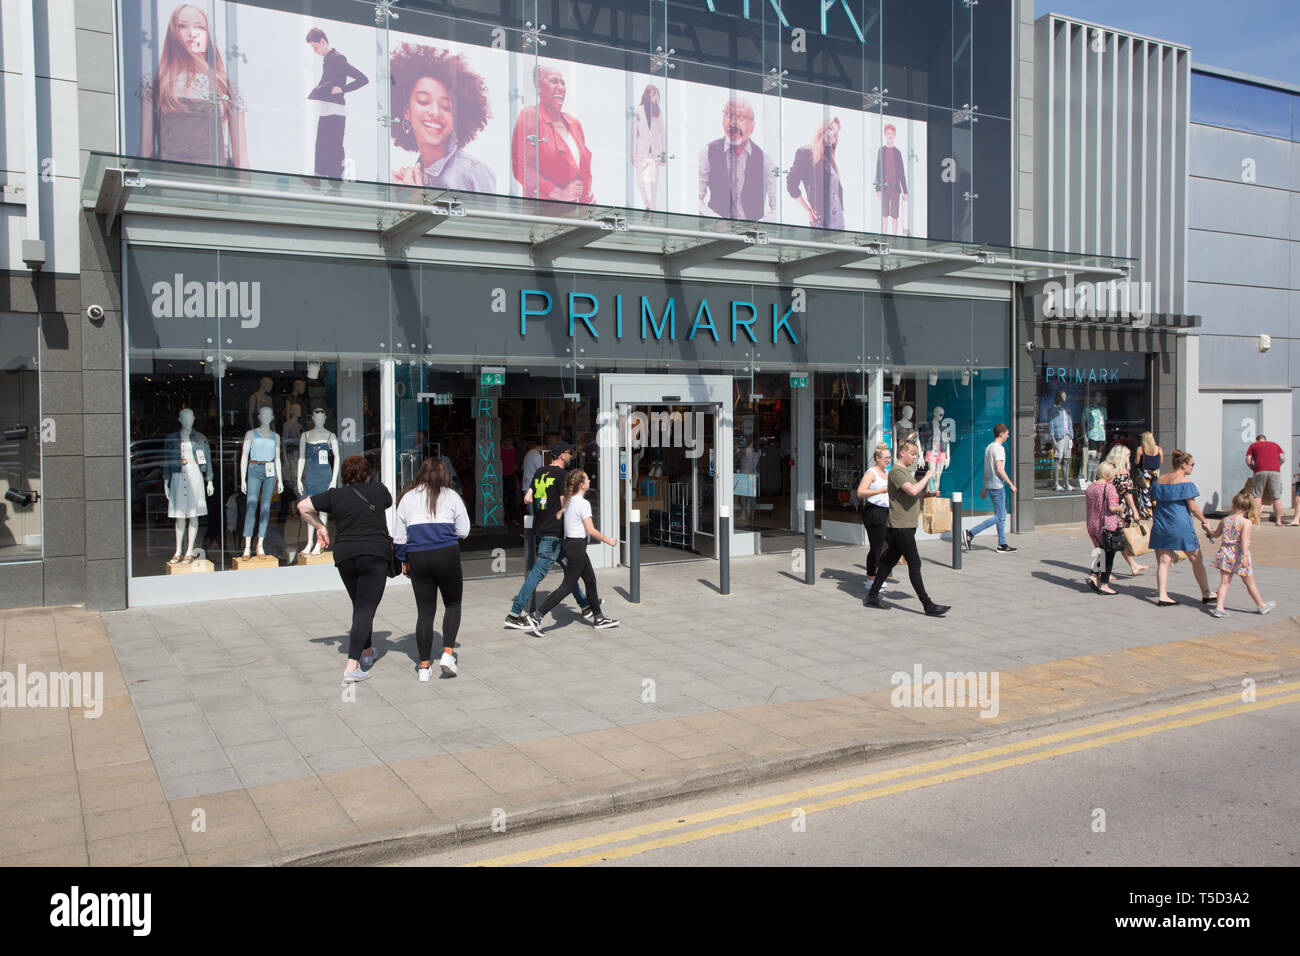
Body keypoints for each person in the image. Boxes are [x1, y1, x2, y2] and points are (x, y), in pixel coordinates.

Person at [297, 456, 394, 683]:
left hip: (346, 555)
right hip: (374, 553)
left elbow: (302, 506)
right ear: (368, 473)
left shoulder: (335, 496)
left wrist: (320, 527)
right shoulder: (379, 490)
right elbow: (387, 502)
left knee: (360, 605)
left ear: (344, 475)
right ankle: (352, 666)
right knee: (365, 608)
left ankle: (367, 651)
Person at [140, 4, 248, 167]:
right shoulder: (156, 82)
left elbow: (241, 159)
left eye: (200, 27)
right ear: (173, 32)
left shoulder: (225, 87)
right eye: (182, 25)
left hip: (215, 178)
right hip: (168, 175)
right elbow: (145, 150)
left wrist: (243, 191)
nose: (192, 33)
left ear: (208, 35)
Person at [503, 442, 594, 631]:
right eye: (569, 453)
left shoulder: (539, 472)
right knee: (538, 573)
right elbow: (564, 505)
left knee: (571, 571)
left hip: (543, 529)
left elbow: (528, 498)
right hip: (554, 533)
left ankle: (585, 606)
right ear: (561, 455)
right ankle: (514, 613)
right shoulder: (562, 476)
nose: (571, 456)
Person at [394, 457, 470, 680]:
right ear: (444, 475)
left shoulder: (407, 497)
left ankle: (424, 667)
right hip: (446, 554)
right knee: (453, 604)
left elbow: (399, 538)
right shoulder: (452, 496)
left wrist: (404, 560)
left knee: (425, 612)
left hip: (419, 557)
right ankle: (447, 654)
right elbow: (464, 531)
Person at [389, 43, 496, 191]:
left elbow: (488, 215)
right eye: (423, 101)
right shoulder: (411, 177)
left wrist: (418, 200)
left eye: (446, 107)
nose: (435, 112)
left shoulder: (473, 171)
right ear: (406, 112)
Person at [864, 440, 950, 616]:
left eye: (916, 455)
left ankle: (872, 596)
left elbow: (912, 494)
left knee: (888, 561)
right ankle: (927, 604)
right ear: (902, 453)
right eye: (912, 454)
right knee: (915, 563)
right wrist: (927, 476)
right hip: (900, 526)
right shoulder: (897, 471)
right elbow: (911, 490)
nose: (915, 457)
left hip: (905, 525)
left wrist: (928, 493)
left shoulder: (904, 472)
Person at [532, 470, 619, 632]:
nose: (589, 481)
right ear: (581, 484)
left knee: (590, 581)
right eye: (587, 479)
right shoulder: (582, 504)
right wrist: (609, 540)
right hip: (577, 547)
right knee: (567, 586)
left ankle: (598, 617)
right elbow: (591, 530)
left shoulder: (569, 501)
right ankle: (537, 616)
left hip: (572, 546)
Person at [511, 64, 593, 203]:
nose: (560, 87)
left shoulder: (574, 123)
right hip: (544, 213)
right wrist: (558, 193)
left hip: (578, 212)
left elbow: (585, 169)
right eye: (553, 81)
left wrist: (587, 197)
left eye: (563, 83)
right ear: (539, 87)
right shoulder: (530, 115)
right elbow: (521, 168)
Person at [1149, 450, 1216, 607]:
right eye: (1192, 464)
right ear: (1184, 464)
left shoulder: (1160, 480)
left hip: (1161, 524)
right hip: (1180, 525)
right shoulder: (1185, 483)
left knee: (1164, 561)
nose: (1193, 468)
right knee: (1196, 558)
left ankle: (1163, 595)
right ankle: (1206, 592)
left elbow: (1153, 500)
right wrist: (1204, 521)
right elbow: (1192, 507)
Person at [698, 96, 777, 221]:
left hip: (752, 234)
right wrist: (717, 222)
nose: (733, 123)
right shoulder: (708, 152)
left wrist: (757, 227)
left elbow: (777, 209)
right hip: (716, 233)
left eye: (740, 117)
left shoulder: (765, 160)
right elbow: (696, 201)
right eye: (728, 115)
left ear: (752, 126)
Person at [306, 28, 369, 179]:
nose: (315, 51)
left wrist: (342, 89)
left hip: (335, 111)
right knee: (322, 146)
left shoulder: (337, 58)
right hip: (328, 110)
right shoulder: (329, 59)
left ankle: (335, 185)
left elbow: (363, 79)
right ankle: (321, 179)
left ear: (322, 41)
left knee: (333, 148)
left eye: (315, 47)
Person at [1205, 490, 1276, 618]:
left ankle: (1219, 607)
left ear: (1233, 505)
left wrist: (1208, 529)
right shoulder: (1246, 522)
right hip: (1239, 553)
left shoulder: (1225, 520)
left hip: (1226, 552)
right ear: (1248, 508)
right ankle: (1261, 605)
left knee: (1224, 582)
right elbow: (1243, 540)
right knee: (1249, 582)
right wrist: (1243, 556)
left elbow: (1215, 534)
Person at [965, 423, 1018, 553]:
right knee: (1000, 515)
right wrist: (1011, 484)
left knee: (1001, 514)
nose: (1008, 435)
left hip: (990, 484)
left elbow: (986, 470)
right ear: (1001, 434)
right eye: (1007, 433)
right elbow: (999, 469)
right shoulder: (998, 448)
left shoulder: (988, 448)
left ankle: (1002, 544)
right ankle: (971, 533)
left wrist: (984, 487)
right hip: (997, 485)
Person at [786, 117, 844, 229]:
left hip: (839, 222)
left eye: (836, 134)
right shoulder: (806, 153)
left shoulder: (830, 159)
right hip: (821, 222)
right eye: (831, 129)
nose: (832, 134)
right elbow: (791, 185)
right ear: (822, 129)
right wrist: (808, 211)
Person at [1104, 444, 1150, 575]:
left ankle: (1132, 565)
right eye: (1128, 455)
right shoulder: (1122, 472)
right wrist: (1135, 511)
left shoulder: (1108, 470)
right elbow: (1127, 494)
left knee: (1115, 539)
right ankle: (1101, 572)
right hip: (1120, 509)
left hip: (1109, 507)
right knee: (1114, 540)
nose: (1130, 458)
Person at [1084, 462, 1124, 595]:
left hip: (1092, 524)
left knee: (1102, 552)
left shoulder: (1091, 487)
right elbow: (1112, 507)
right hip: (1107, 524)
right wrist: (1121, 508)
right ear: (1108, 474)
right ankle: (1105, 585)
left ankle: (1093, 576)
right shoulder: (1109, 487)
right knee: (1108, 554)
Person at [856, 443, 892, 586]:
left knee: (891, 545)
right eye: (885, 458)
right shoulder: (871, 472)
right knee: (876, 547)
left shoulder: (887, 473)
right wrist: (880, 491)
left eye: (889, 458)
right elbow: (860, 492)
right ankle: (871, 578)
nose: (888, 460)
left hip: (887, 511)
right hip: (874, 511)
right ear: (877, 458)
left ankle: (880, 573)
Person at [631, 84, 667, 210]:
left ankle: (653, 208)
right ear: (648, 95)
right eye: (653, 94)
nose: (656, 97)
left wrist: (663, 155)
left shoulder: (657, 112)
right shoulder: (639, 111)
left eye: (657, 95)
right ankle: (647, 203)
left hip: (654, 154)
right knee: (640, 182)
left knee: (653, 184)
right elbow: (634, 135)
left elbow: (663, 135)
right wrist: (633, 155)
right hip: (642, 152)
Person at [1245, 433, 1287, 525]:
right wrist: (1277, 465)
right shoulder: (1275, 445)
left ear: (1257, 440)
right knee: (1276, 497)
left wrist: (1253, 468)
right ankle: (1278, 520)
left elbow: (1248, 461)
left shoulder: (1253, 445)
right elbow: (1283, 458)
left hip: (1259, 471)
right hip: (1275, 472)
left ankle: (1256, 519)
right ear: (1266, 439)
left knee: (1257, 496)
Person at [874, 123, 908, 235]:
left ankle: (894, 237)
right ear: (885, 134)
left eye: (892, 133)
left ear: (894, 135)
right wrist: (877, 188)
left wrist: (905, 191)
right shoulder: (881, 150)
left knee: (895, 215)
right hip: (884, 186)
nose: (890, 135)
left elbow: (902, 172)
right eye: (888, 133)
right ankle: (884, 235)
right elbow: (878, 169)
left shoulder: (897, 153)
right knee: (885, 214)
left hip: (895, 187)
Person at [1135, 431, 1162, 516]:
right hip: (1155, 473)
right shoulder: (1159, 449)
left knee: (1144, 494)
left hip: (1145, 473)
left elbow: (1136, 462)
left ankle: (1146, 514)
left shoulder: (1140, 449)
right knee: (1154, 492)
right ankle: (1156, 512)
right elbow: (1161, 461)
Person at [520, 437, 544, 515]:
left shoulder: (528, 453)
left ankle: (531, 527)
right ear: (543, 446)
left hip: (527, 486)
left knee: (531, 513)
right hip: (537, 489)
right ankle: (536, 527)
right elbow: (542, 472)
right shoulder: (538, 456)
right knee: (540, 513)